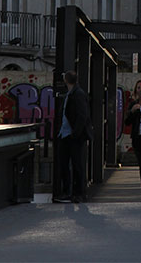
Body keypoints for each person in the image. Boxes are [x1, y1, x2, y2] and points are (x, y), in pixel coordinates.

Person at [54, 69, 93, 203]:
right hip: (67, 135)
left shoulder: (77, 94)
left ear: (66, 80)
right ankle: (71, 192)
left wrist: (75, 133)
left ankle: (77, 192)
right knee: (68, 164)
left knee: (76, 165)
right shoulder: (73, 93)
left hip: (72, 135)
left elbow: (82, 116)